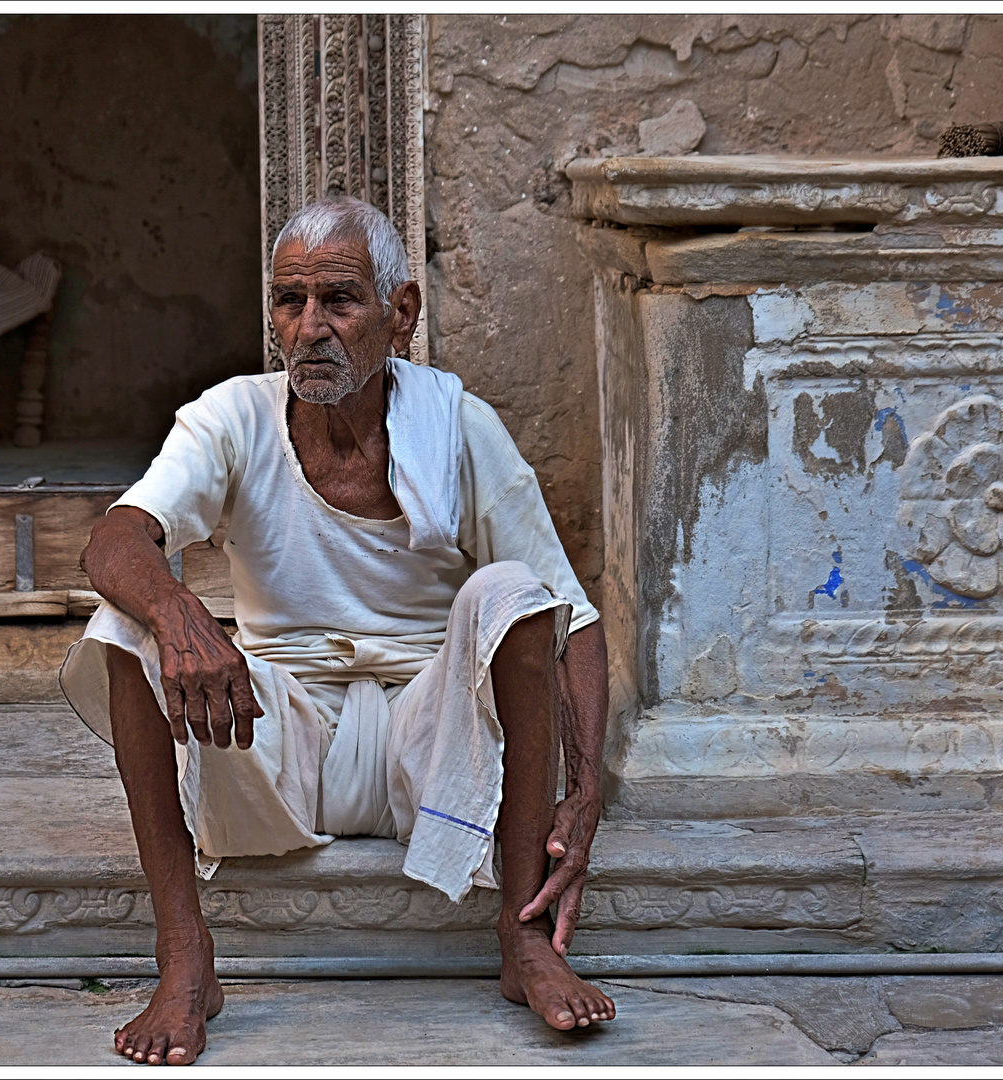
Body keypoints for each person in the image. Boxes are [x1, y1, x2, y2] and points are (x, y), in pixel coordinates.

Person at [63, 195, 615, 1065]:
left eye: (340, 301)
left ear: (402, 315)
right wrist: (178, 613)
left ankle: (522, 944)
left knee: (512, 590)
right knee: (123, 622)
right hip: (276, 739)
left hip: (432, 747)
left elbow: (572, 619)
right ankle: (185, 956)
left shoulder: (459, 427)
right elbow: (116, 537)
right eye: (290, 302)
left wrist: (583, 794)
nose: (310, 327)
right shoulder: (232, 417)